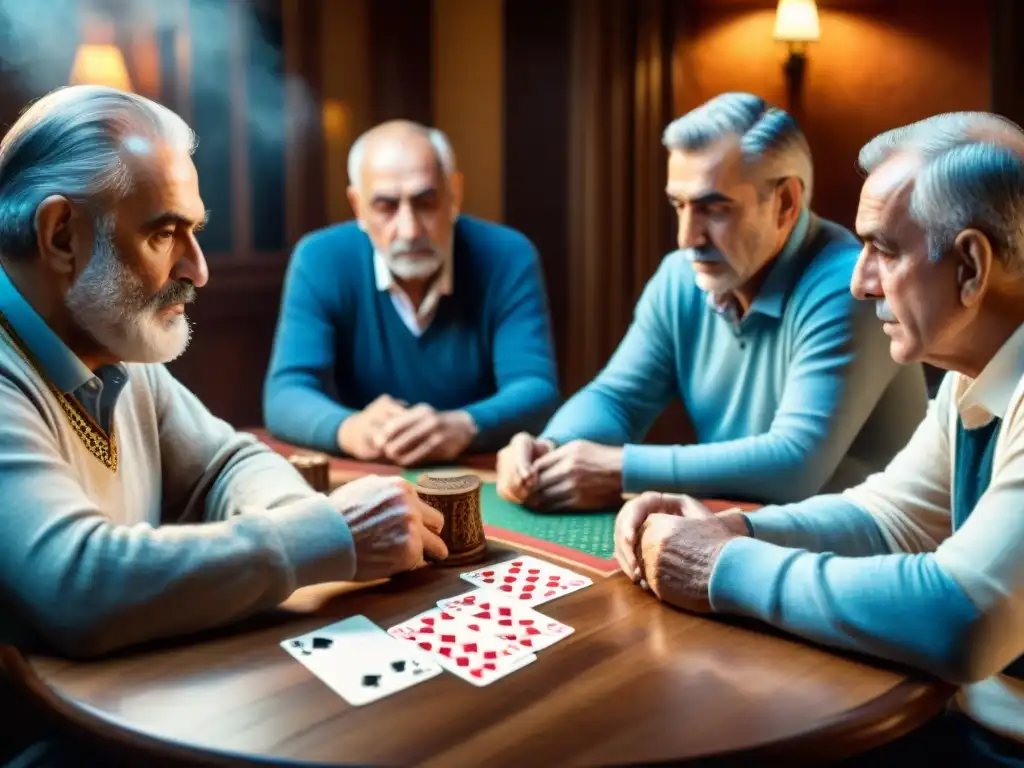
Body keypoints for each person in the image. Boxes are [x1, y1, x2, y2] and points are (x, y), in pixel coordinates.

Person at [614, 111, 1024, 763]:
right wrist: (735, 532)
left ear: (971, 267)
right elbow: (890, 516)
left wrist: (719, 568)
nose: (861, 282)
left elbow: (961, 617)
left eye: (884, 250)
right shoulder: (973, 371)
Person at [0, 85, 449, 661]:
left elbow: (226, 463)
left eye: (195, 232)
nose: (199, 270)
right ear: (61, 234)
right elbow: (79, 586)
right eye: (164, 233)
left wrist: (304, 522)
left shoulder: (106, 340)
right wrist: (329, 536)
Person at [496, 93, 928, 512]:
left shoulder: (850, 286)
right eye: (679, 205)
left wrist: (620, 468)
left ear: (785, 203)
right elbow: (617, 399)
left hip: (864, 555)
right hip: (744, 536)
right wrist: (550, 449)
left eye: (715, 209)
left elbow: (794, 463)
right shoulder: (680, 276)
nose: (688, 238)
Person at [262, 120, 560, 466]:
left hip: (480, 473)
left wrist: (464, 425)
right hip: (370, 472)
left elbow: (537, 390)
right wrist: (350, 428)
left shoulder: (507, 256)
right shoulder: (320, 259)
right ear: (358, 206)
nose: (410, 229)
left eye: (426, 202)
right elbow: (285, 394)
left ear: (455, 194)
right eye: (386, 206)